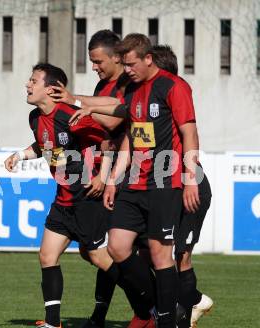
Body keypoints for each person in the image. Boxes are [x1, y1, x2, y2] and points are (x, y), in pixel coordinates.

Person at [50, 30, 156, 328]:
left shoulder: (129, 84)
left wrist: (75, 102)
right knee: (102, 250)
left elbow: (113, 122)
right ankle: (128, 311)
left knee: (118, 250)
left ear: (117, 58)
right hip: (113, 173)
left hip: (131, 174)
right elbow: (105, 135)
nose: (94, 67)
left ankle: (156, 306)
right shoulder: (104, 84)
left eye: (98, 61)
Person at [4, 63, 121, 328]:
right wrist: (20, 155)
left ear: (52, 88)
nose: (28, 84)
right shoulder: (35, 118)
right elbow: (45, 146)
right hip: (63, 198)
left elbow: (107, 141)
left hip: (86, 198)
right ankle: (52, 322)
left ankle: (151, 301)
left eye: (34, 80)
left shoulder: (71, 114)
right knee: (47, 256)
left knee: (98, 257)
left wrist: (102, 176)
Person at [101, 33, 201, 328]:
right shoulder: (131, 92)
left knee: (160, 254)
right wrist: (112, 179)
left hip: (165, 182)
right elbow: (132, 139)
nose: (127, 70)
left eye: (131, 64)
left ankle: (166, 321)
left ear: (148, 59)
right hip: (134, 182)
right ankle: (156, 307)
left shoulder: (173, 86)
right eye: (125, 64)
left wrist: (191, 179)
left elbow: (190, 134)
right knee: (117, 246)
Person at [152, 45, 213, 328]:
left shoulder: (176, 93)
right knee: (159, 254)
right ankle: (191, 303)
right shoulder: (151, 102)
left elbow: (191, 134)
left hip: (191, 186)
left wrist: (189, 179)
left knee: (181, 256)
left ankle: (186, 311)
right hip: (165, 186)